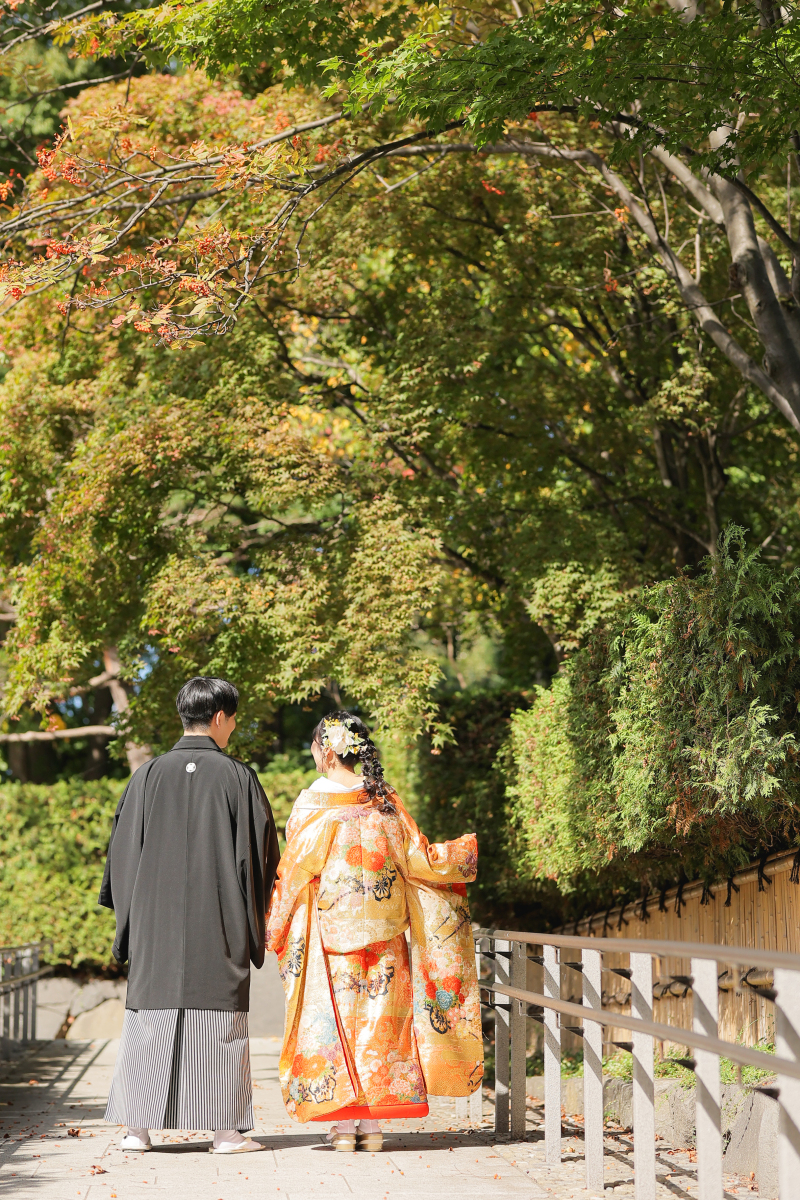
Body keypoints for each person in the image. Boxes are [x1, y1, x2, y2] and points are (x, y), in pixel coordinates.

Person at [266, 710, 482, 1152]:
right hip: (386, 934)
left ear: (324, 750)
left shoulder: (312, 804)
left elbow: (292, 871)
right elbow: (419, 859)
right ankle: (373, 1126)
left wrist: (276, 926)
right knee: (383, 1027)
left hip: (332, 938)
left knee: (336, 1026)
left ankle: (343, 1128)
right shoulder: (386, 801)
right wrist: (458, 856)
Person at [100, 676, 280, 1154]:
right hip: (217, 919)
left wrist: (131, 921)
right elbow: (260, 856)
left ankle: (135, 1131)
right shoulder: (238, 778)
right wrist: (252, 918)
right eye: (234, 718)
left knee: (149, 1018)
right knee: (220, 1022)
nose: (233, 727)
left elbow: (122, 857)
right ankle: (224, 1133)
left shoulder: (148, 775)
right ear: (220, 717)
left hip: (156, 924)